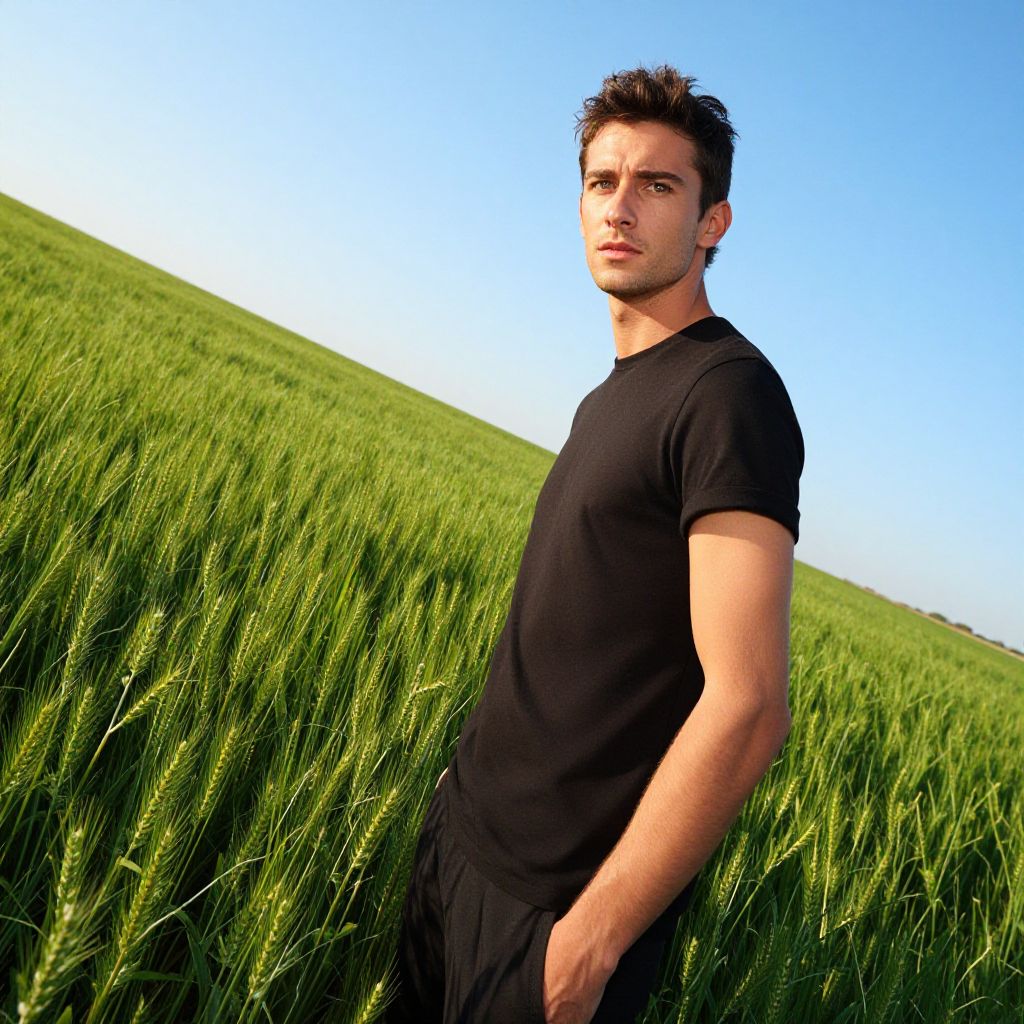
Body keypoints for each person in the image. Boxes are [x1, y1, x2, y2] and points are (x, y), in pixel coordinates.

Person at [385, 64, 804, 1024]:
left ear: (712, 223)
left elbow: (750, 706)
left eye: (658, 185)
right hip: (464, 845)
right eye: (601, 182)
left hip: (556, 914)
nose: (620, 207)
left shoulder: (728, 394)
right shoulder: (613, 392)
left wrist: (592, 941)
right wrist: (456, 794)